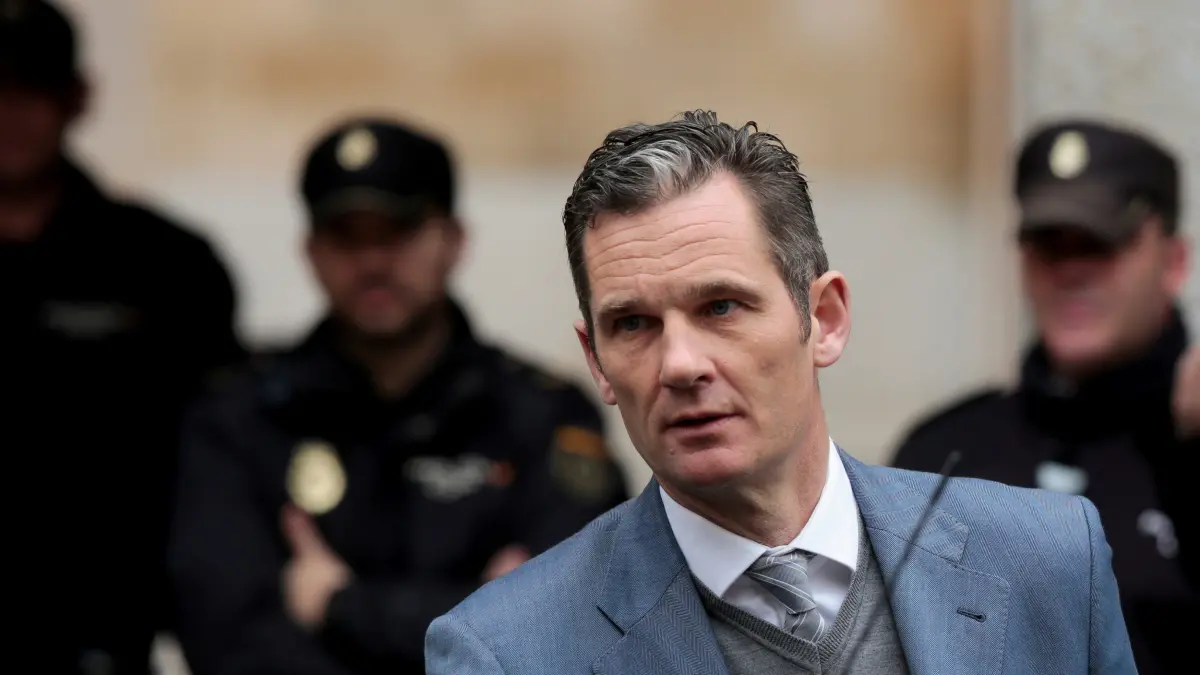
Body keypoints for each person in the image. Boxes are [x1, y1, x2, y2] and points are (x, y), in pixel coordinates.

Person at [424, 110, 1137, 674]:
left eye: (721, 307)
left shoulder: (1046, 558)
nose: (680, 364)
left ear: (823, 318)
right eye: (633, 323)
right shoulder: (508, 651)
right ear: (598, 363)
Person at [169, 116, 629, 675]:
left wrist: (340, 606)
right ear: (311, 251)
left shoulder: (540, 414)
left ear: (453, 241)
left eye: (398, 231)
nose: (372, 262)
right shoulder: (241, 416)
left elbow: (573, 626)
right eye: (346, 237)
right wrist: (481, 607)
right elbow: (226, 637)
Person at [890, 118, 1198, 675]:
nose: (1072, 271)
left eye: (1100, 244)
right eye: (1049, 245)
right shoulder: (946, 455)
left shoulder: (1188, 449)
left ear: (1174, 262)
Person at [0, 1, 244, 673]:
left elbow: (217, 468)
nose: (10, 115)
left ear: (78, 98)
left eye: (31, 91)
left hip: (103, 636)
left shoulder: (168, 267)